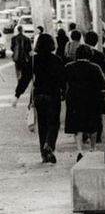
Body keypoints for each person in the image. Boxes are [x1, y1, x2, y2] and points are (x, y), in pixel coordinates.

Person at [12, 34, 66, 163]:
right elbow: (63, 79)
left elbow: (25, 79)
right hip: (53, 96)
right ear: (52, 44)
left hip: (39, 96)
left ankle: (44, 154)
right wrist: (64, 92)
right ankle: (49, 145)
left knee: (42, 125)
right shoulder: (57, 60)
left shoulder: (33, 60)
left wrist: (17, 95)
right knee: (54, 123)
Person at [65, 45, 105, 162]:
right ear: (90, 55)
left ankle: (79, 150)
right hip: (91, 99)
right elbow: (102, 84)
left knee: (77, 127)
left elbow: (63, 83)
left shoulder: (69, 67)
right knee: (92, 125)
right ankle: (93, 148)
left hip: (74, 99)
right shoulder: (95, 67)